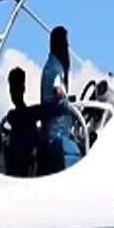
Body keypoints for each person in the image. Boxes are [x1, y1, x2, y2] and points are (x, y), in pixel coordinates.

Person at [39, 25, 80, 174]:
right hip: (58, 133)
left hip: (50, 132)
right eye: (66, 44)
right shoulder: (57, 68)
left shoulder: (47, 66)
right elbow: (58, 89)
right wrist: (68, 104)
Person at [3, 67, 41, 177]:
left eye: (16, 89)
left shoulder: (27, 117)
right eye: (11, 89)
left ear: (23, 89)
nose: (13, 93)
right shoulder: (13, 116)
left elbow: (33, 152)